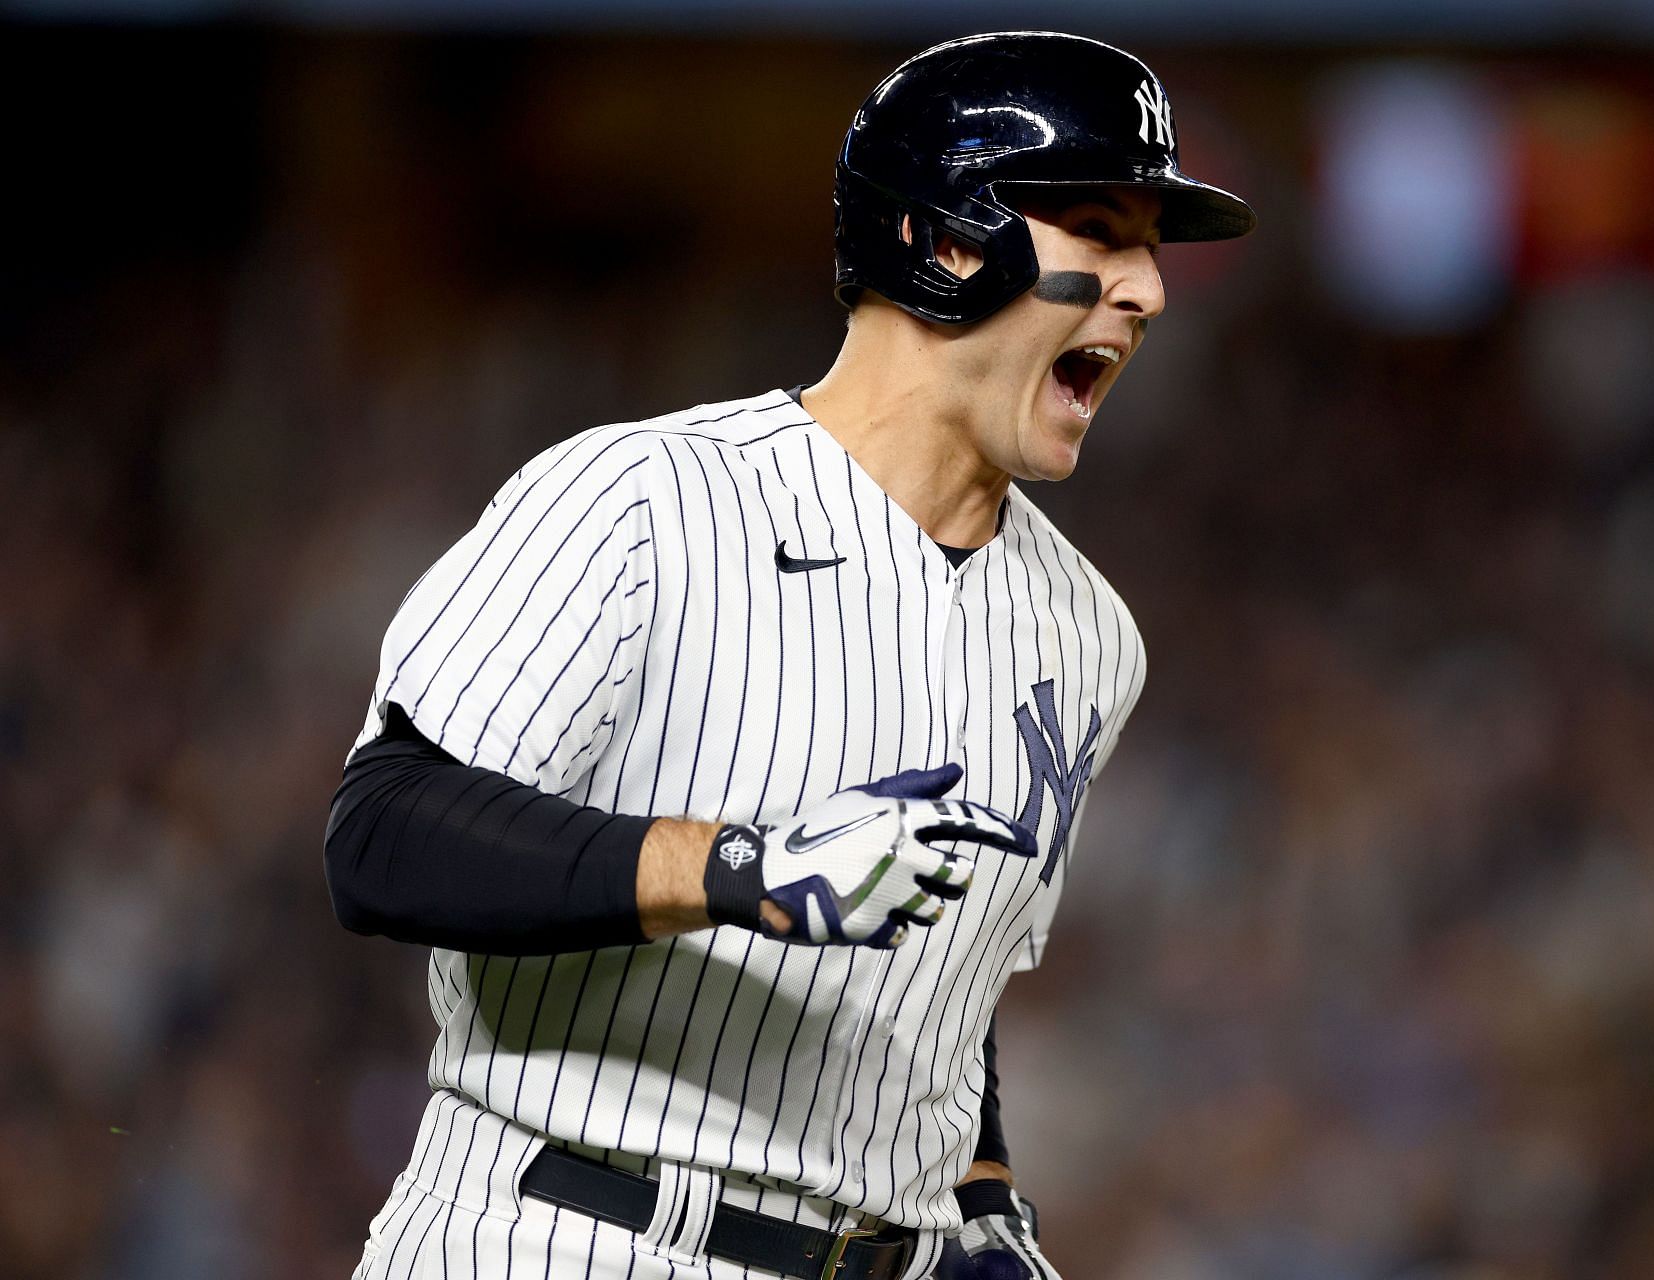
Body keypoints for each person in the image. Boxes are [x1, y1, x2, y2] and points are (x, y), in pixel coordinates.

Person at [325, 30, 1254, 1280]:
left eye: (1151, 246)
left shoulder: (1091, 636)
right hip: (564, 1227)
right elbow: (383, 833)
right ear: (945, 241)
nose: (1145, 289)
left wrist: (982, 1198)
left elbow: (941, 989)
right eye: (1100, 230)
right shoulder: (642, 500)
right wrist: (737, 867)